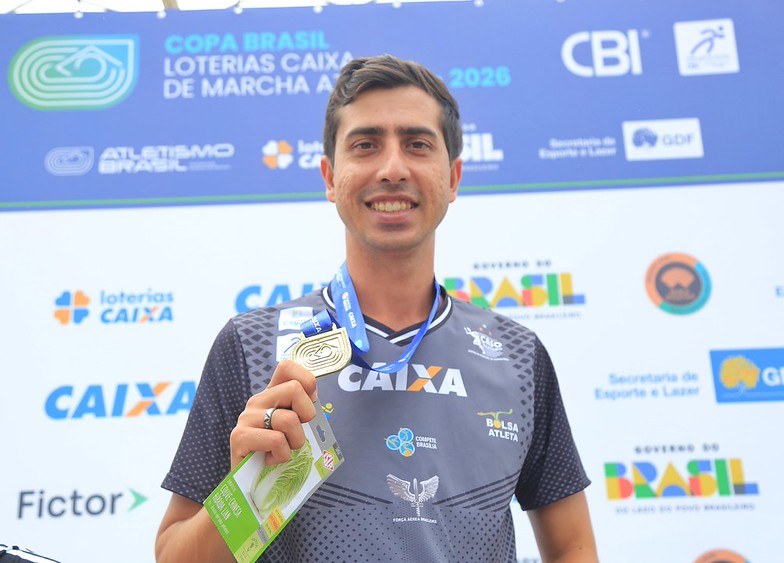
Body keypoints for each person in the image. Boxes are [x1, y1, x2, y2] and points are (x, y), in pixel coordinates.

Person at [155, 55, 597, 563]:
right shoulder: (253, 345)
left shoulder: (518, 356)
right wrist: (248, 491)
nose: (391, 168)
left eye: (417, 144)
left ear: (452, 178)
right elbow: (174, 557)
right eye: (365, 145)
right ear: (330, 176)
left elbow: (573, 547)